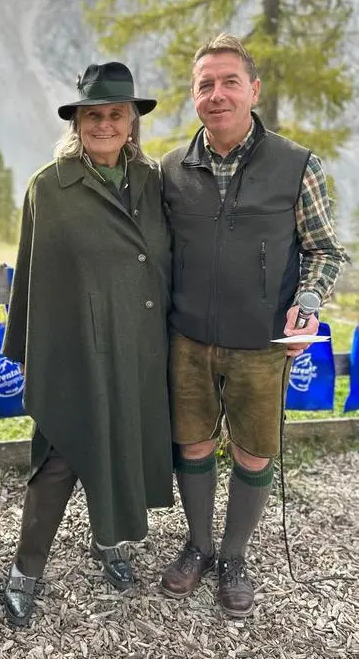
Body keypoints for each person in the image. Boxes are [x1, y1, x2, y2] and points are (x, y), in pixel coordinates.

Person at [159, 33, 349, 617]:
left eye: (229, 82)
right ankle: (198, 544)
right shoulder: (170, 170)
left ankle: (235, 556)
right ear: (195, 96)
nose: (217, 95)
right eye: (205, 85)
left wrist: (309, 301)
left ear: (253, 90)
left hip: (263, 343)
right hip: (187, 337)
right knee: (191, 441)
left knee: (253, 452)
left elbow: (324, 251)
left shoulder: (297, 165)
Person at [0, 62, 174, 627]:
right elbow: (32, 276)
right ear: (77, 122)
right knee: (58, 460)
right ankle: (25, 571)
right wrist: (33, 355)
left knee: (120, 442)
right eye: (92, 115)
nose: (104, 124)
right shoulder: (51, 188)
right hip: (75, 350)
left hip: (136, 345)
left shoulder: (152, 183)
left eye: (115, 114)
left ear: (132, 122)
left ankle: (110, 543)